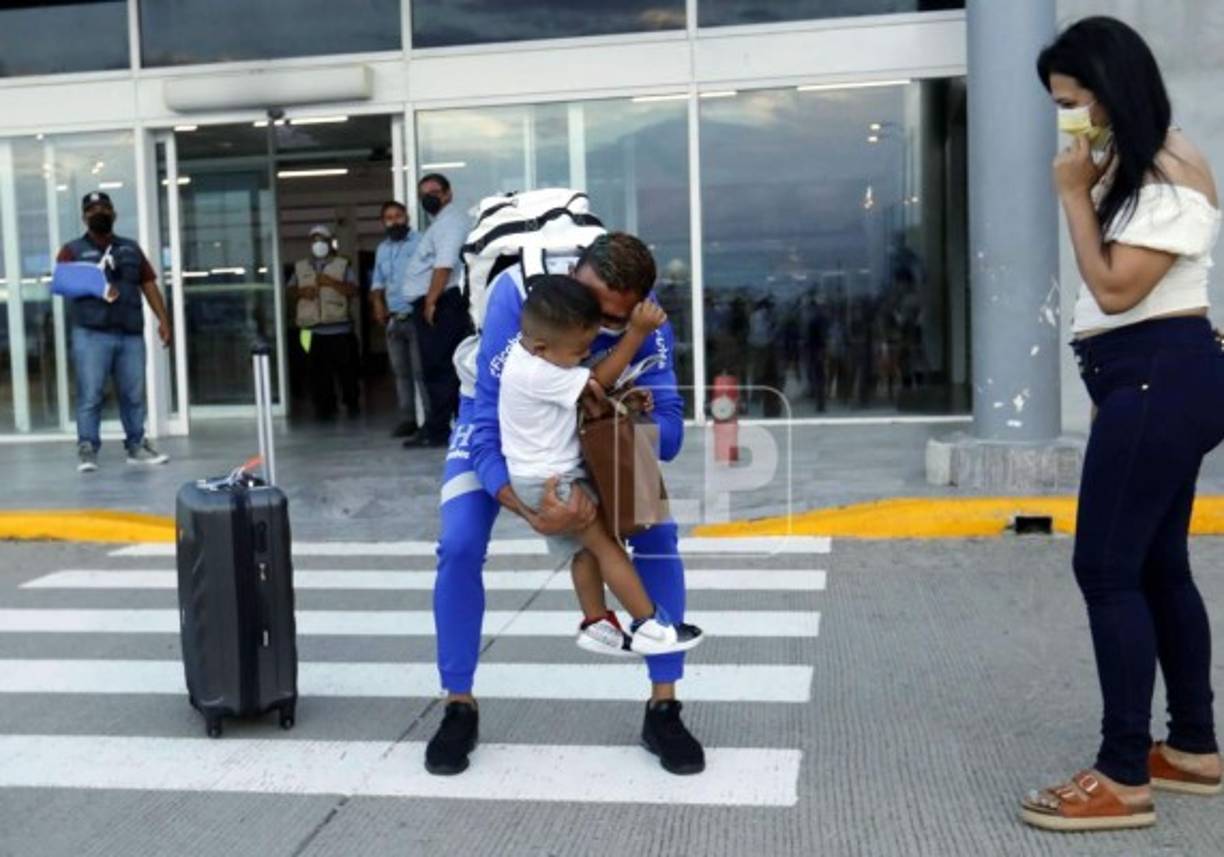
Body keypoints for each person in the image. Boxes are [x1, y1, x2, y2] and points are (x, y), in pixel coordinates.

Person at [1020, 16, 1223, 833]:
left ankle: (1122, 772)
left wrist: (1072, 194)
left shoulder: (1171, 171)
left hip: (1158, 375)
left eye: (1073, 102)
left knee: (1106, 569)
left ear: (1109, 90)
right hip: (1144, 380)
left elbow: (1114, 291)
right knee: (1157, 564)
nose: (1069, 120)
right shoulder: (1137, 166)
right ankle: (1195, 748)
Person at [425, 233, 705, 778]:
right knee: (459, 543)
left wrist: (628, 411)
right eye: (593, 311)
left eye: (614, 322)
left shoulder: (647, 324)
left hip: (591, 429)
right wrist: (530, 509)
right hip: (507, 423)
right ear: (573, 274)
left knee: (656, 536)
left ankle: (663, 705)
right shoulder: (521, 296)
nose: (599, 328)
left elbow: (668, 437)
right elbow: (485, 430)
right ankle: (458, 702)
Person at [499, 275, 704, 656]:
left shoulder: (522, 355)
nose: (586, 354)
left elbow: (587, 394)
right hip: (554, 480)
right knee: (607, 547)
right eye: (580, 351)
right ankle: (650, 626)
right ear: (543, 347)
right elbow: (595, 382)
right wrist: (636, 334)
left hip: (536, 477)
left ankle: (596, 623)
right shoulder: (537, 372)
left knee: (585, 552)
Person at [58, 191, 171, 472]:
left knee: (133, 394)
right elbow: (62, 282)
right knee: (90, 394)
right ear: (84, 217)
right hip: (91, 334)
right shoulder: (72, 250)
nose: (100, 213)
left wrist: (164, 320)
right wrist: (96, 286)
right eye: (93, 210)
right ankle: (87, 449)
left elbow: (148, 285)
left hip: (130, 333)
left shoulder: (131, 249)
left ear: (114, 213)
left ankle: (136, 446)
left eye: (105, 209)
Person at [406, 173, 473, 447]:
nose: (428, 197)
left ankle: (439, 430)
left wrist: (431, 302)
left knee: (439, 367)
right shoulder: (440, 224)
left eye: (434, 191)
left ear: (448, 193)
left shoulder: (451, 223)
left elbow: (443, 266)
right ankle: (441, 426)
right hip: (437, 302)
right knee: (437, 366)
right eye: (423, 194)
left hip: (441, 303)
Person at [287, 225, 361, 420]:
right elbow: (290, 291)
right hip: (310, 330)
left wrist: (331, 282)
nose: (318, 243)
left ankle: (351, 404)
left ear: (330, 242)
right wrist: (302, 292)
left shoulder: (342, 264)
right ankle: (324, 407)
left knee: (346, 371)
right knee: (317, 371)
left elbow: (353, 291)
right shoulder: (301, 266)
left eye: (322, 239)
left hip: (339, 328)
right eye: (314, 240)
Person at [369, 201, 426, 439]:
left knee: (421, 372)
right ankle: (408, 420)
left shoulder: (421, 242)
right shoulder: (382, 249)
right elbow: (377, 282)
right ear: (383, 222)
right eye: (389, 218)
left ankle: (433, 421)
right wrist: (378, 304)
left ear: (407, 217)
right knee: (401, 373)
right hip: (394, 319)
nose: (394, 221)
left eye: (398, 216)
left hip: (417, 317)